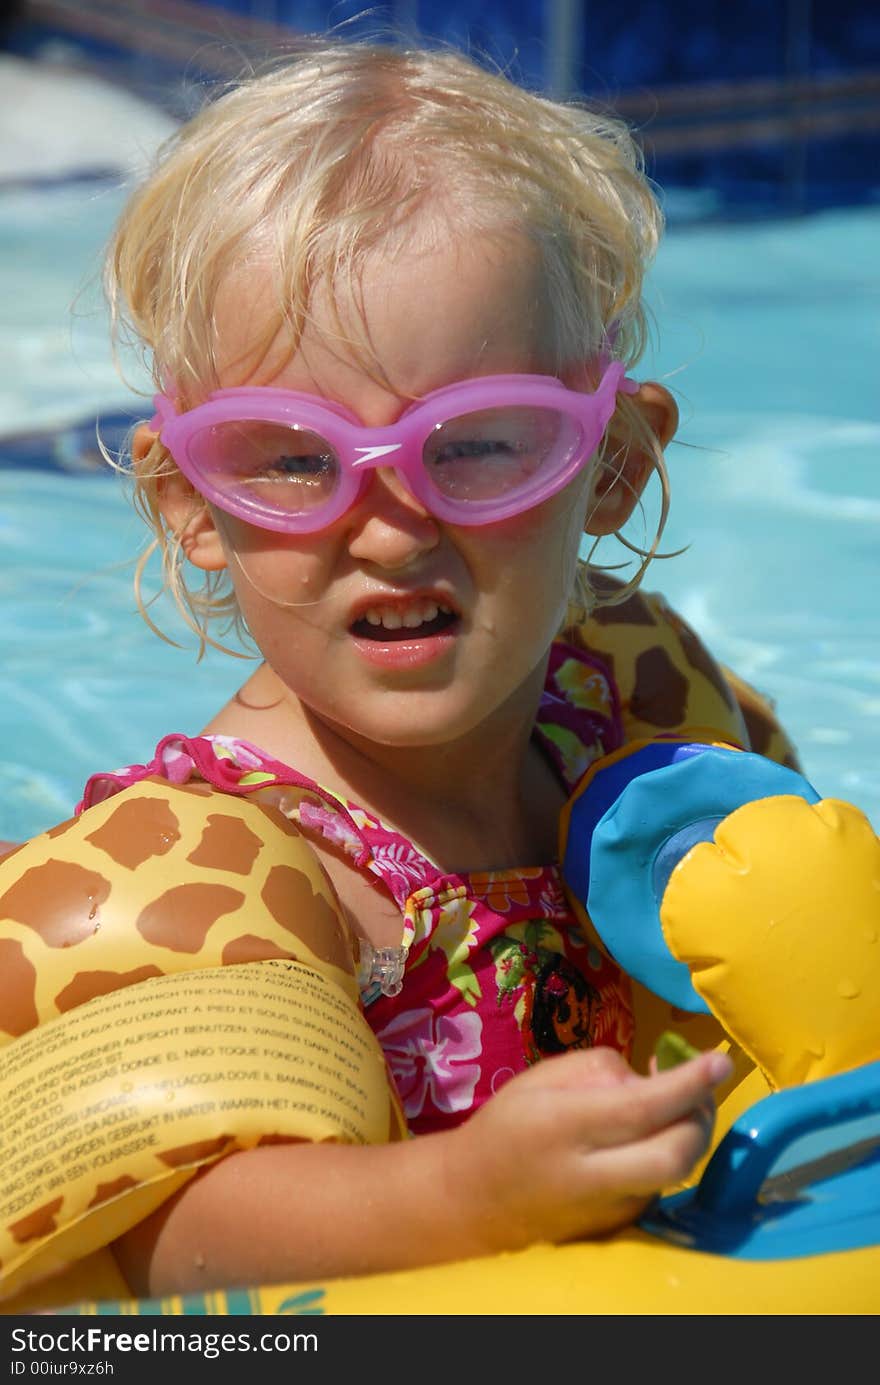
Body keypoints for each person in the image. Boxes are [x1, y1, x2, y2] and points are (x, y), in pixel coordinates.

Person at [9, 37, 803, 1298]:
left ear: (608, 467)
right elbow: (157, 1235)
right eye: (293, 457)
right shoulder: (222, 872)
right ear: (192, 503)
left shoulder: (637, 702)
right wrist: (464, 1194)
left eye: (479, 443)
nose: (389, 526)